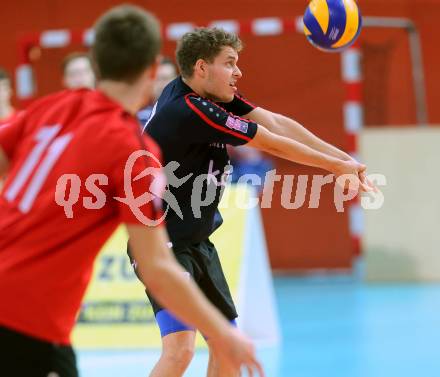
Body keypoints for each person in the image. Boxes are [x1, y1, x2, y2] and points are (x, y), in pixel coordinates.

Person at [0, 8, 263, 377]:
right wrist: (223, 332)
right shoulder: (133, 153)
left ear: (97, 65)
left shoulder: (50, 108)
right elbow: (156, 264)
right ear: (152, 72)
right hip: (26, 319)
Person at [141, 27, 375, 377]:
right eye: (230, 63)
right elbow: (270, 142)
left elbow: (275, 122)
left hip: (195, 240)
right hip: (163, 244)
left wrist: (343, 159)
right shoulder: (190, 109)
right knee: (180, 351)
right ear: (202, 68)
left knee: (228, 348)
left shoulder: (199, 92)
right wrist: (334, 166)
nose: (239, 72)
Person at [137, 56, 177, 125]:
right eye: (158, 79)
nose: (162, 84)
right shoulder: (139, 116)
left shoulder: (187, 112)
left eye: (166, 78)